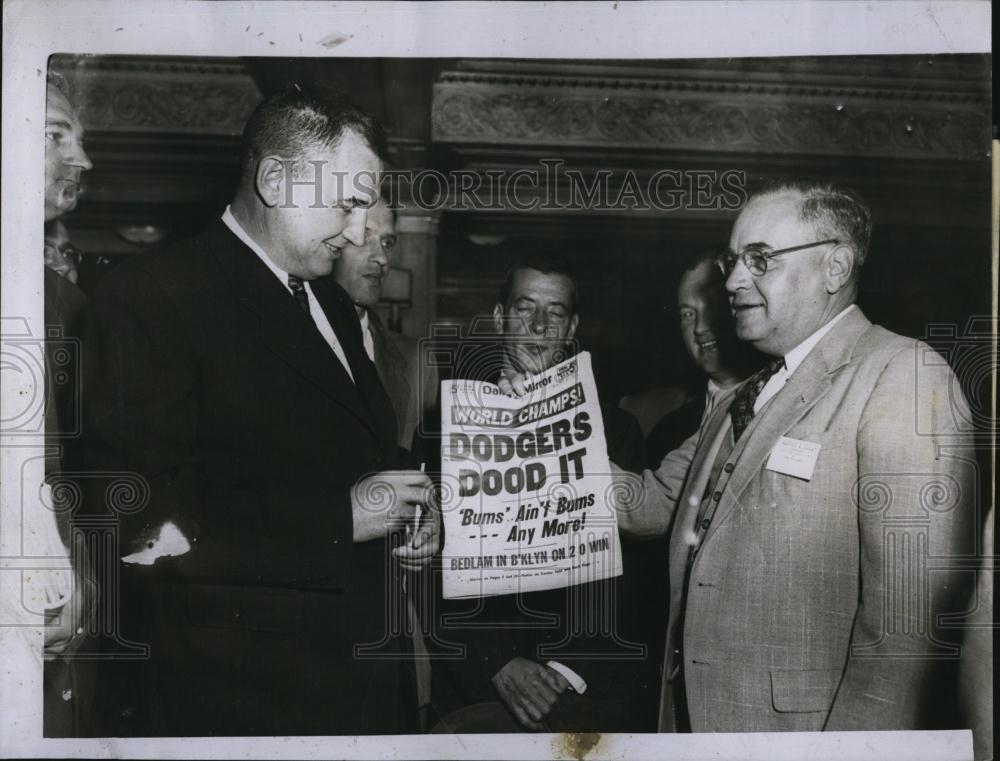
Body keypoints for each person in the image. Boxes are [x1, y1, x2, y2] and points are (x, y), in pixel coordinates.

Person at [81, 84, 437, 736]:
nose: (361, 231)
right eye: (349, 204)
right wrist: (339, 519)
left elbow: (358, 446)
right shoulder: (152, 296)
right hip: (247, 699)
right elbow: (138, 518)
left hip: (363, 683)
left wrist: (415, 495)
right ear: (275, 178)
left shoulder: (330, 304)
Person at [616, 179, 976, 732]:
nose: (734, 281)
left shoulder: (900, 374)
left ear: (835, 268)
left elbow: (906, 630)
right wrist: (533, 446)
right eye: (733, 260)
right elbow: (649, 503)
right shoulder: (745, 395)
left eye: (760, 259)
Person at [432, 253, 655, 733]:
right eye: (524, 308)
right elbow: (429, 566)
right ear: (499, 317)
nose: (537, 325)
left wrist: (568, 670)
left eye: (554, 313)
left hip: (579, 688)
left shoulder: (617, 431)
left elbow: (633, 575)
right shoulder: (447, 422)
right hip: (475, 684)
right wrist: (495, 663)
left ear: (571, 326)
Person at [328, 198, 436, 452]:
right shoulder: (293, 338)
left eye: (387, 243)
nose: (382, 258)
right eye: (364, 236)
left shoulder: (415, 361)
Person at [644, 249, 757, 468]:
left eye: (714, 307)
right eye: (688, 314)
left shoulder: (775, 405)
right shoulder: (668, 431)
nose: (700, 327)